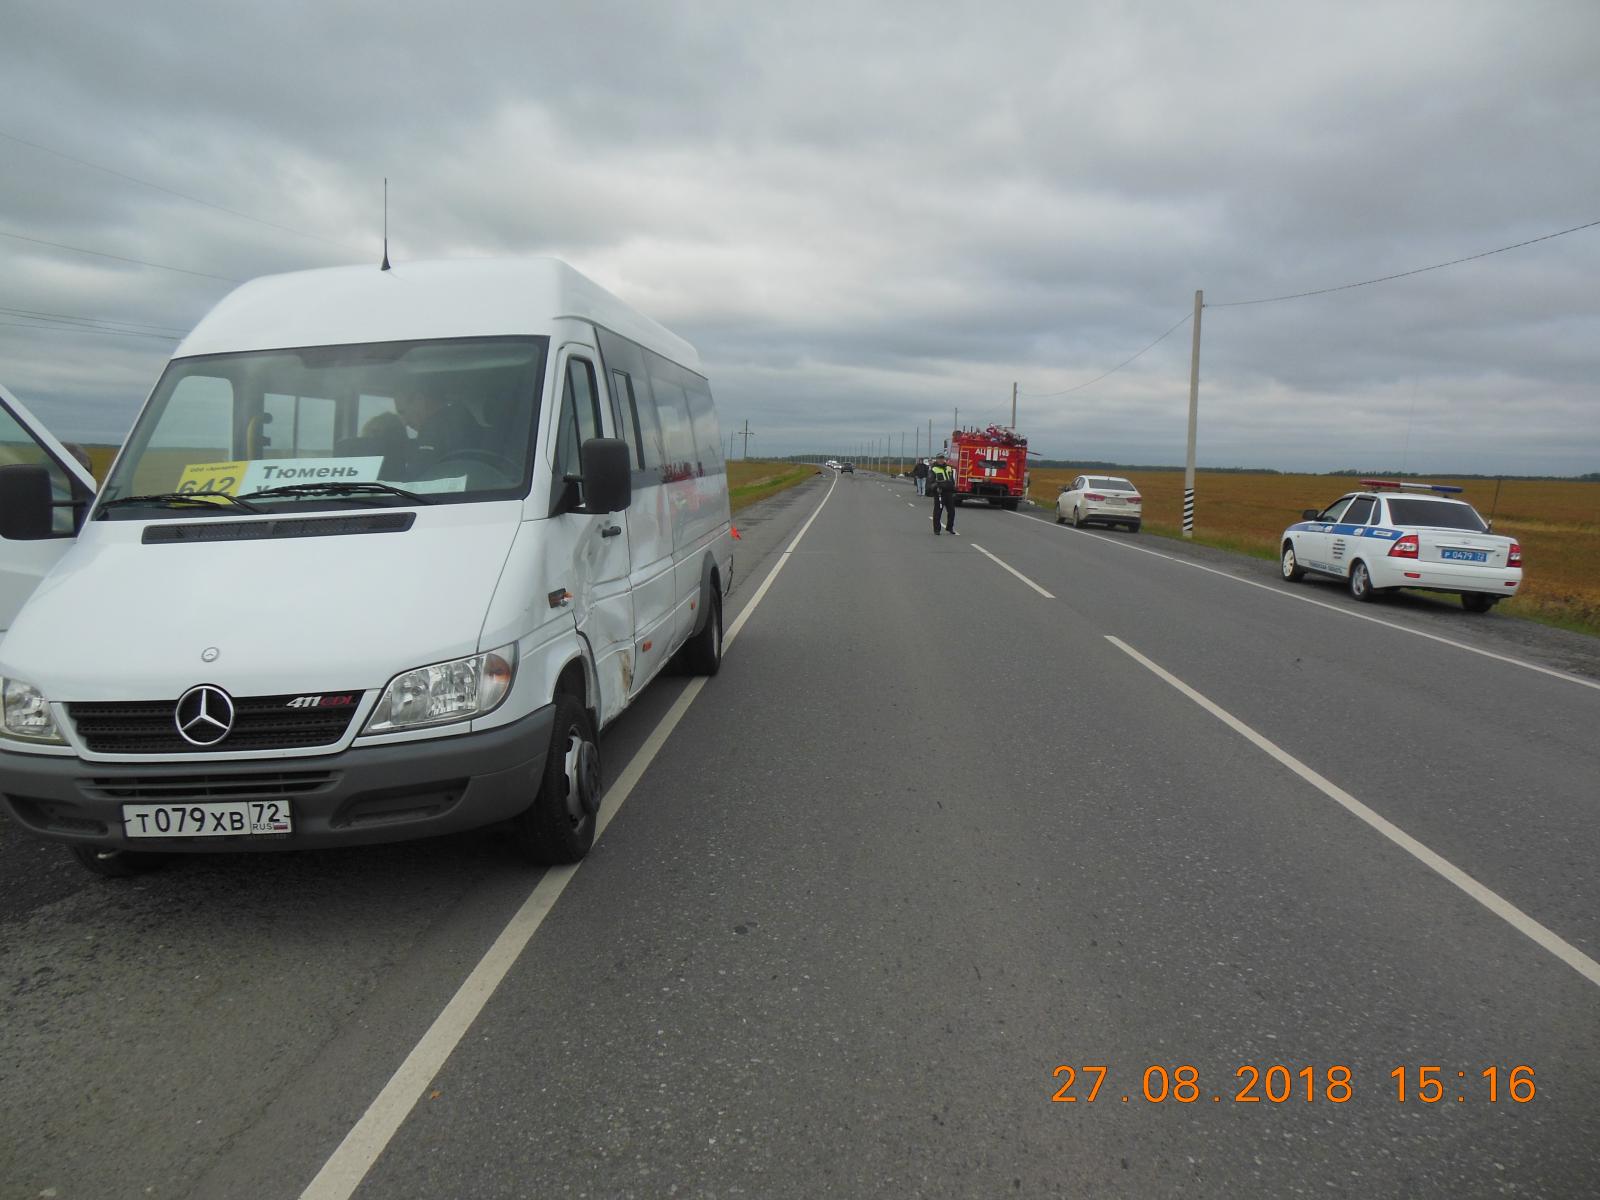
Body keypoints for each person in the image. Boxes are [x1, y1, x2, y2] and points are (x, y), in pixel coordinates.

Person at [393, 386, 490, 463]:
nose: (404, 422)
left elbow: (416, 481)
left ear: (419, 400)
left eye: (403, 412)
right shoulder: (467, 423)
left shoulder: (432, 430)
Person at [929, 453, 956, 535]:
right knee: (938, 512)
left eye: (942, 458)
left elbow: (951, 479)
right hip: (939, 493)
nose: (941, 460)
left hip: (949, 492)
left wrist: (953, 489)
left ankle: (949, 527)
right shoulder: (933, 469)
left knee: (952, 511)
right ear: (936, 459)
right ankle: (937, 529)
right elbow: (930, 483)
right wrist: (935, 487)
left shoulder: (949, 468)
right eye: (939, 458)